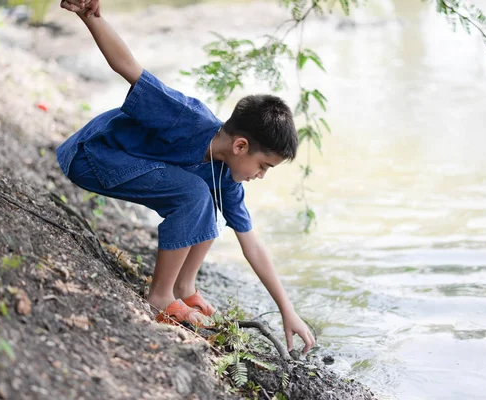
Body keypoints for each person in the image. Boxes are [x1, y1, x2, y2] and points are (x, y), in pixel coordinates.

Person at [57, 0, 315, 354]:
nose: (261, 176)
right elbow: (128, 67)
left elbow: (251, 242)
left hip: (119, 168)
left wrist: (289, 311)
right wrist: (89, 16)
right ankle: (161, 297)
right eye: (264, 166)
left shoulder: (226, 176)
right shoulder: (184, 117)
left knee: (209, 203)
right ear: (241, 145)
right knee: (194, 193)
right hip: (89, 156)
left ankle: (184, 287)